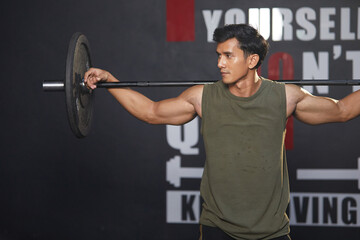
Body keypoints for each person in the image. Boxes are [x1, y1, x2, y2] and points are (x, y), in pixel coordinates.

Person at [84, 24, 360, 240]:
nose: (220, 63)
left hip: (272, 231)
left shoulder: (285, 97)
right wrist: (110, 80)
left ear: (252, 60)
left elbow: (343, 110)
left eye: (228, 56)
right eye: (218, 55)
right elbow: (151, 112)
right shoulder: (202, 97)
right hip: (218, 228)